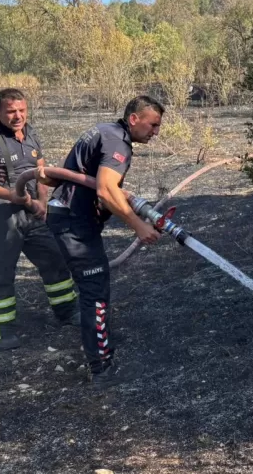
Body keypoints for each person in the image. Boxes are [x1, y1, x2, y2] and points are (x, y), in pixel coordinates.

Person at [46, 95, 164, 385]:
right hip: (74, 221)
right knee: (95, 292)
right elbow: (106, 190)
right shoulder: (117, 142)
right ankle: (101, 367)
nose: (156, 132)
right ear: (134, 119)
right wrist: (138, 226)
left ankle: (100, 345)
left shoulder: (107, 131)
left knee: (95, 287)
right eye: (153, 125)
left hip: (72, 217)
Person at [0, 88, 80, 351]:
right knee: (1, 272)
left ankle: (67, 311)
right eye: (10, 111)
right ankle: (3, 328)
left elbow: (41, 172)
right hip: (1, 216)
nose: (17, 116)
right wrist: (11, 195)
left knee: (54, 260)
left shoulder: (31, 135)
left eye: (21, 110)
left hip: (32, 213)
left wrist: (43, 202)